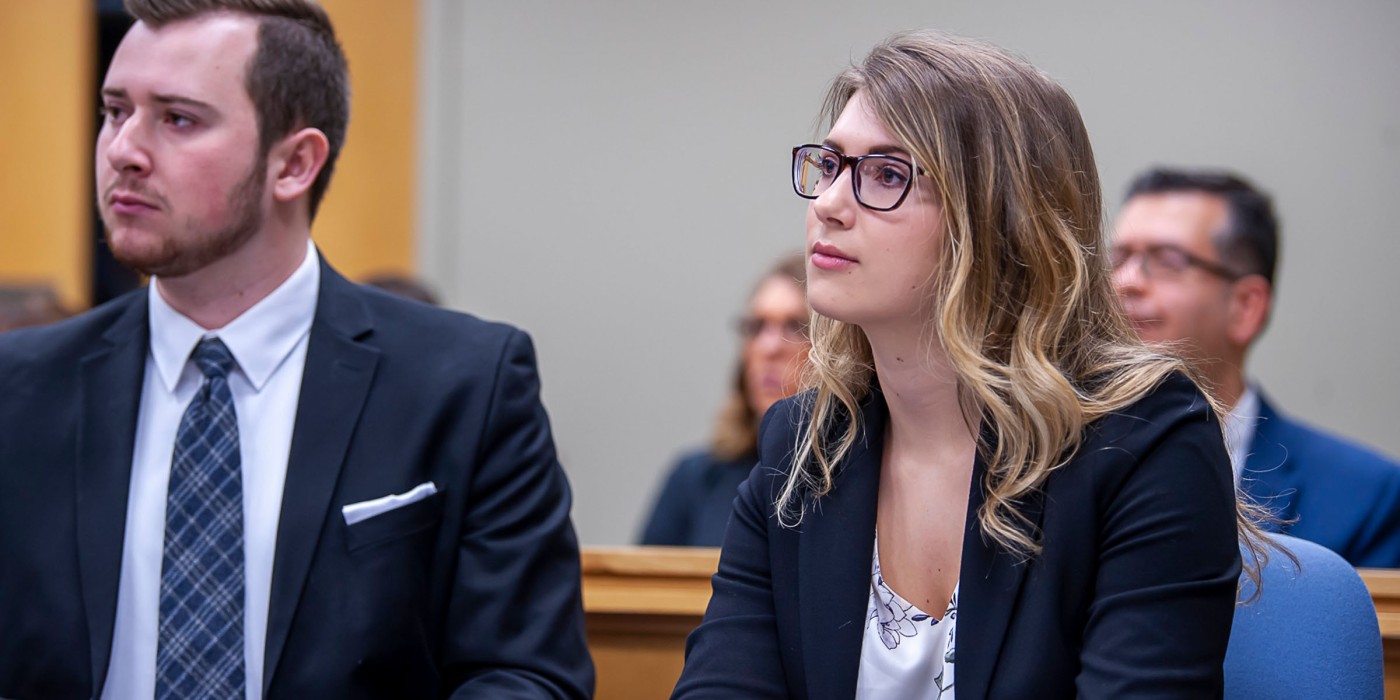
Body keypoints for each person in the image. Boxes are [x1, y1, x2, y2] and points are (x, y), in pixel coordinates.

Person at [0, 1, 593, 698]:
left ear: (295, 163)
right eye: (114, 111)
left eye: (177, 118)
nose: (123, 149)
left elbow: (525, 675)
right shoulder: (20, 391)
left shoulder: (464, 383)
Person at [673, 31, 1257, 699]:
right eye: (830, 165)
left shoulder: (1145, 441)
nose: (828, 205)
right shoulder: (802, 446)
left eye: (888, 174)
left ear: (1001, 220)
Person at [1112, 167, 1400, 567]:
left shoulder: (1365, 498)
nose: (1124, 281)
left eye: (1167, 260)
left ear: (1246, 307)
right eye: (1117, 258)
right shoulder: (1048, 466)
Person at [640, 254, 809, 546]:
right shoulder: (696, 480)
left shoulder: (868, 479)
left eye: (794, 326)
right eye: (757, 327)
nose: (767, 347)